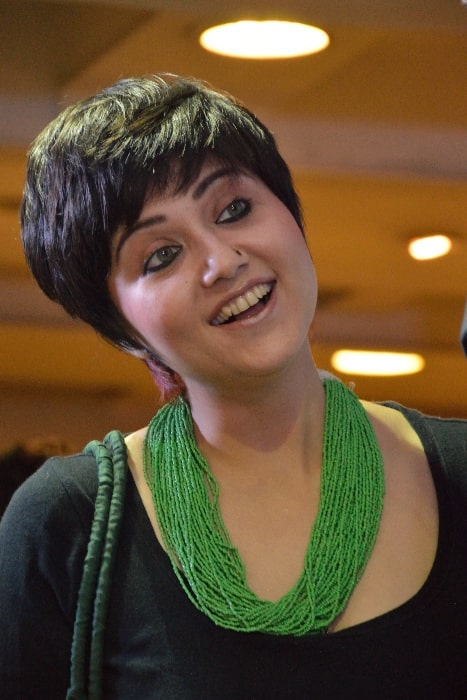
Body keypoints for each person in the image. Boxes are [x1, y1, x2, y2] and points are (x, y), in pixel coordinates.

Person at [1, 74, 466, 700]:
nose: (222, 260)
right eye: (161, 255)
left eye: (234, 209)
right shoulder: (68, 522)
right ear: (121, 329)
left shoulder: (458, 472)